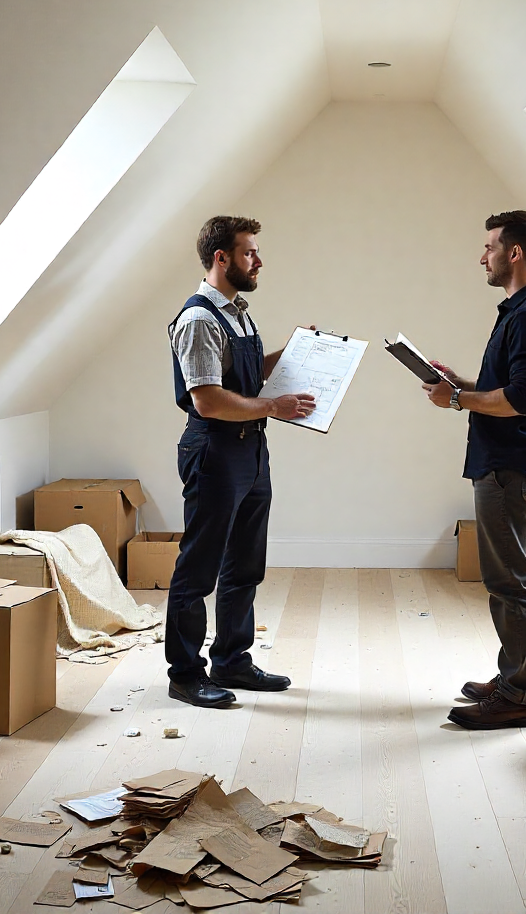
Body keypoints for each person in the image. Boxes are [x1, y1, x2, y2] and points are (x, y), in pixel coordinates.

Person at [166, 216, 316, 708]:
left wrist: (294, 352)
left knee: (244, 564)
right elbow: (208, 399)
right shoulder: (199, 320)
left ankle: (232, 659)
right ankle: (186, 674)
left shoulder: (238, 313)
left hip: (250, 448)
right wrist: (274, 406)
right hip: (214, 448)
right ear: (221, 258)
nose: (259, 260)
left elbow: (244, 376)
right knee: (200, 567)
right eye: (250, 252)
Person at [424, 211, 526, 730]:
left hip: (510, 465)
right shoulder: (520, 312)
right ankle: (524, 680)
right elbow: (508, 387)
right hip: (510, 462)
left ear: (514, 253)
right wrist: (459, 383)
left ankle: (521, 694)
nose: (481, 255)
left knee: (512, 582)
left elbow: (524, 401)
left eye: (488, 246)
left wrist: (458, 398)